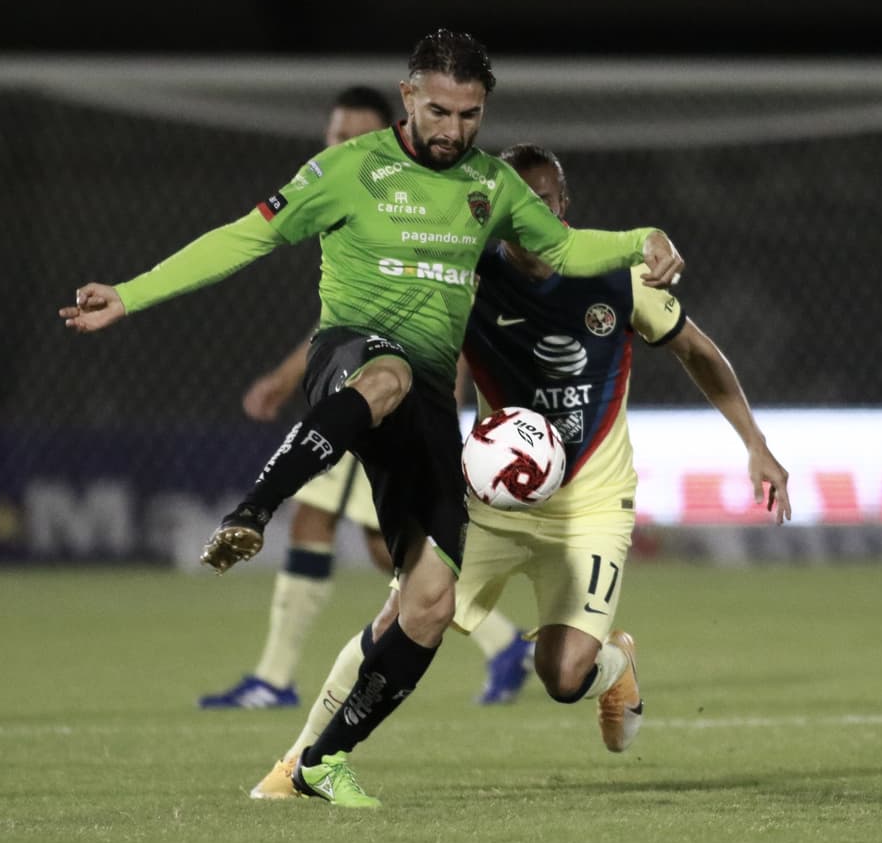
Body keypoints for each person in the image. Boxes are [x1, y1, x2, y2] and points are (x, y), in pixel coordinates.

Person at [59, 29, 683, 809]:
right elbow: (243, 238)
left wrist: (641, 238)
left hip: (425, 402)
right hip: (351, 359)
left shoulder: (492, 184)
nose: (454, 129)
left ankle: (321, 761)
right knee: (383, 373)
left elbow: (560, 246)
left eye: (470, 113)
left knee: (427, 602)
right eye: (440, 110)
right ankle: (255, 505)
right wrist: (131, 291)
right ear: (407, 96)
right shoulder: (346, 170)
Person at [248, 143, 791, 803]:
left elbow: (697, 351)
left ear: (566, 208)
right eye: (519, 206)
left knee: (563, 674)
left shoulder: (619, 276)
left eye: (548, 203)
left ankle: (613, 662)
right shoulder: (468, 277)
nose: (534, 218)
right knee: (402, 612)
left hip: (591, 503)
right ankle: (299, 762)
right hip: (492, 502)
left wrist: (755, 443)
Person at [197, 87, 534, 711]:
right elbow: (349, 324)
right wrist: (281, 378)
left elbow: (444, 311)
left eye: (355, 134)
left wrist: (442, 396)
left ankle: (276, 677)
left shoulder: (426, 199)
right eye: (334, 134)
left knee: (352, 532)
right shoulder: (346, 193)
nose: (340, 145)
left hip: (389, 399)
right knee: (379, 543)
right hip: (369, 376)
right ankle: (503, 643)